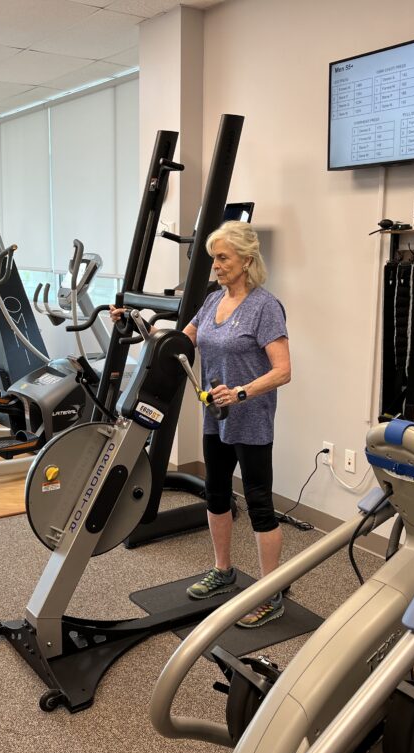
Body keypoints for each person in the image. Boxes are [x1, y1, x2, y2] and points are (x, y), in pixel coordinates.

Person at [113, 221, 291, 628]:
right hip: (216, 415)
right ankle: (223, 570)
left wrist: (242, 391)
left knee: (260, 504)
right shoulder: (213, 301)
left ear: (246, 260)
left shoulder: (265, 307)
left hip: (250, 418)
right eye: (214, 258)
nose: (216, 265)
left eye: (223, 258)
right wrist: (134, 323)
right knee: (215, 494)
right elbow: (181, 341)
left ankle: (270, 591)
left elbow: (283, 371)